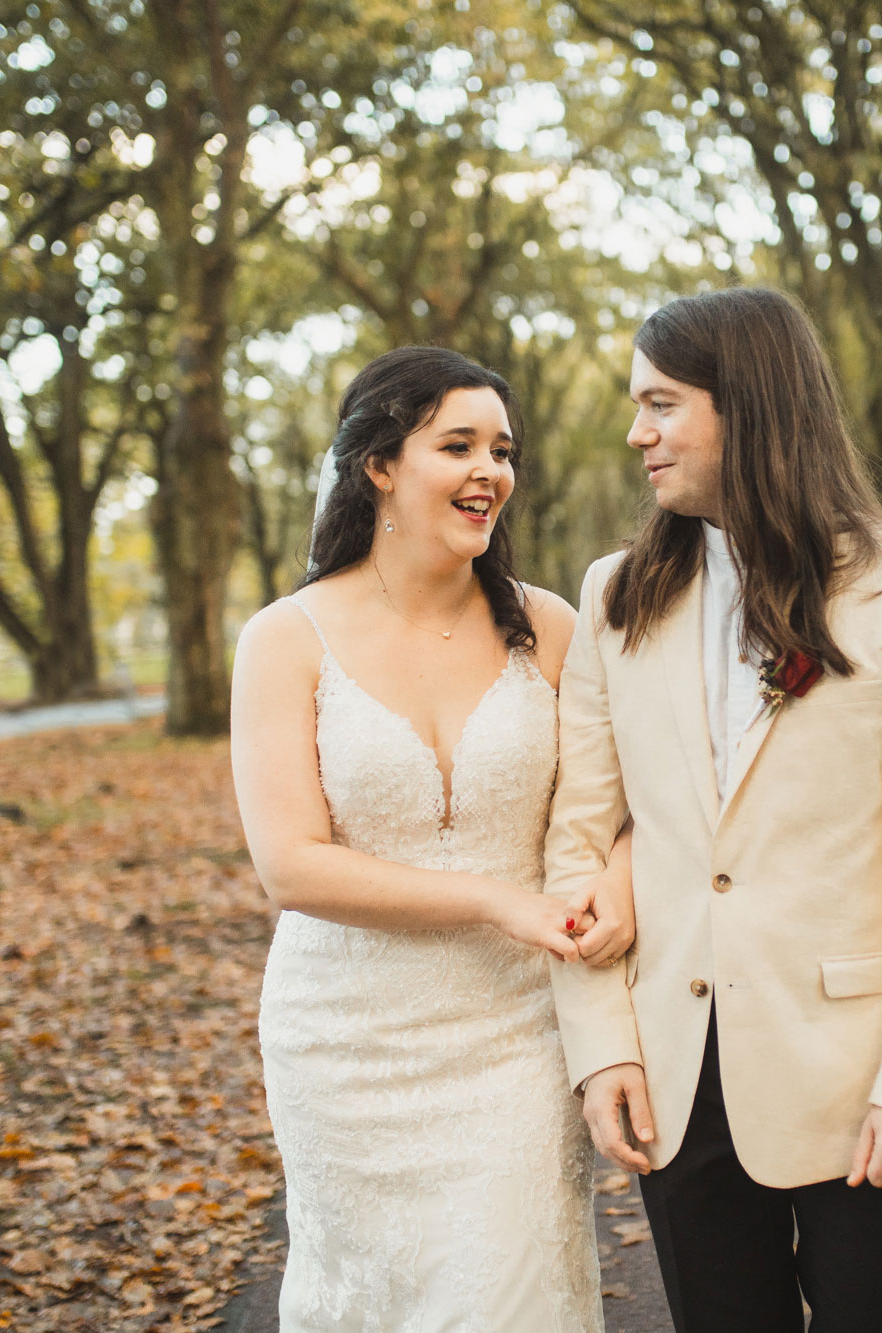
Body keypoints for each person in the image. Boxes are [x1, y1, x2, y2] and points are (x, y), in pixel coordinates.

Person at [546, 287, 882, 1331]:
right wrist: (603, 1046)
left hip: (853, 1076)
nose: (637, 433)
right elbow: (573, 841)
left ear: (745, 404)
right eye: (636, 406)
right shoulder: (614, 596)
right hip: (674, 1069)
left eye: (661, 403)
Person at [229, 346, 633, 1332]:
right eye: (457, 445)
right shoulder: (285, 637)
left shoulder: (549, 627)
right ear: (378, 464)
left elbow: (624, 810)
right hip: (343, 1043)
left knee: (508, 1302)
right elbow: (291, 863)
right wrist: (499, 900)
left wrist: (619, 885)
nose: (489, 470)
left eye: (502, 449)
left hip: (515, 1036)